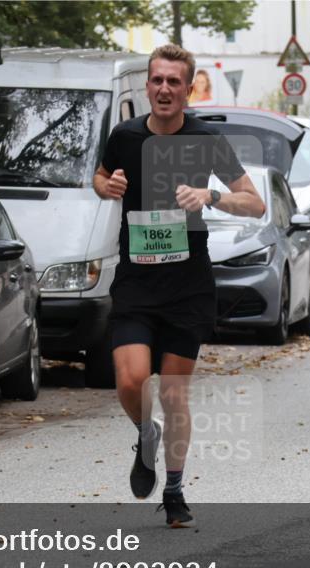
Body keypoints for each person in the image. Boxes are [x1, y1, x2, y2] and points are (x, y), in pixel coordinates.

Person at [93, 44, 266, 526]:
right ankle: (145, 434)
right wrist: (105, 187)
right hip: (136, 281)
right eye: (157, 80)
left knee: (173, 394)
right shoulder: (124, 135)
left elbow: (255, 204)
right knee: (129, 379)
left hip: (187, 284)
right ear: (147, 86)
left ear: (188, 90)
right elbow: (101, 177)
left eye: (174, 82)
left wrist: (210, 195)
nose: (165, 89)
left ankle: (173, 490)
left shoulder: (207, 140)